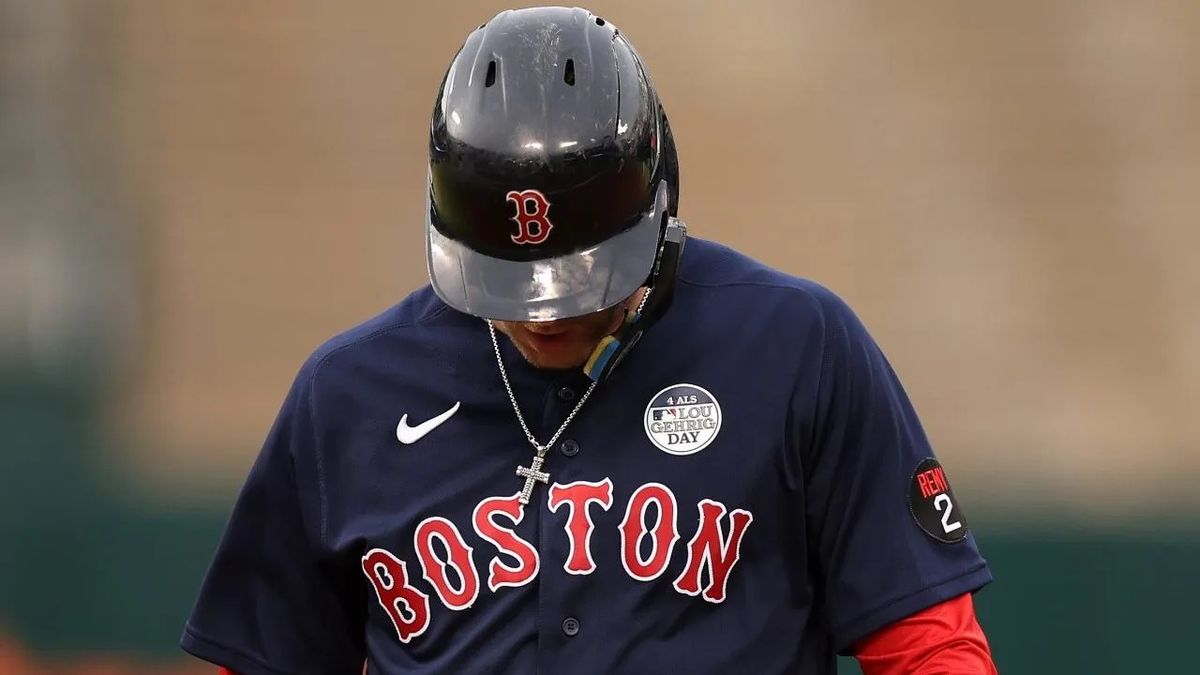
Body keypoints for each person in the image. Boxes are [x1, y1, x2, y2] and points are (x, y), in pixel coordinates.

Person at [181, 6, 997, 674]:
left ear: (655, 204)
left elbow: (930, 643)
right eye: (508, 279)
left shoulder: (796, 349)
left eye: (582, 276)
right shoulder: (349, 395)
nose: (543, 314)